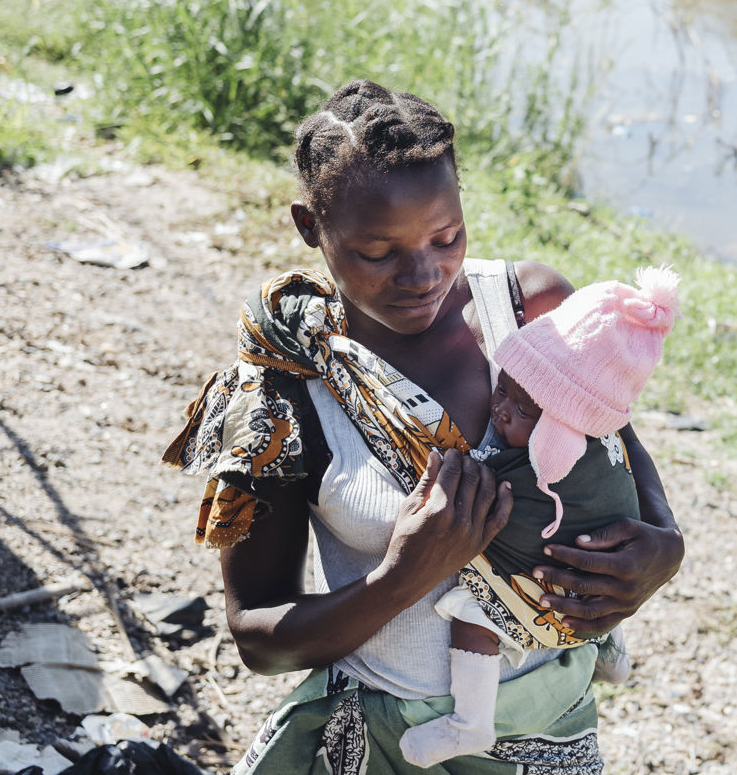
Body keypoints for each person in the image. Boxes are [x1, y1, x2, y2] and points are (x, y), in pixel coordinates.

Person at [163, 79, 684, 774]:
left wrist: (663, 546)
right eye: (377, 252)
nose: (421, 274)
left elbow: (615, 442)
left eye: (447, 237)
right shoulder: (284, 388)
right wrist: (404, 576)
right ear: (309, 226)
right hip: (387, 745)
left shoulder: (529, 311)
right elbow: (259, 637)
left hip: (551, 729)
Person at [400, 266, 680, 766]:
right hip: (585, 584)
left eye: (524, 412)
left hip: (546, 592)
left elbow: (479, 491)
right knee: (602, 561)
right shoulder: (607, 444)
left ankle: (470, 723)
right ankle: (609, 650)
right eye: (502, 390)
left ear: (560, 432)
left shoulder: (539, 469)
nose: (501, 411)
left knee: (473, 615)